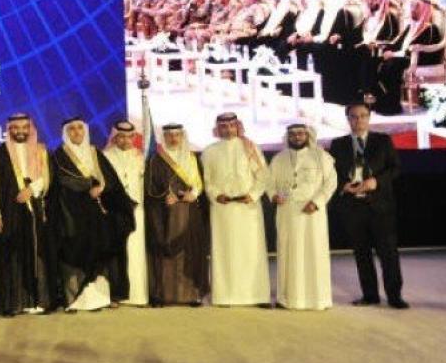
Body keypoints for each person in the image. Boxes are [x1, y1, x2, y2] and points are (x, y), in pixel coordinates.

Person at [50, 117, 134, 312]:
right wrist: (88, 187)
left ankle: (98, 299)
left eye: (80, 128)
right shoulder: (59, 156)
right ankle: (74, 299)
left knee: (99, 254)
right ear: (66, 133)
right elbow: (62, 182)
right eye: (72, 129)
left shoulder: (95, 152)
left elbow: (111, 180)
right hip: (71, 215)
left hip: (97, 215)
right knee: (73, 255)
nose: (77, 132)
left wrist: (102, 189)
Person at [329, 103, 407, 308]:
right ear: (348, 119)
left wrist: (376, 181)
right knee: (361, 253)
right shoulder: (338, 144)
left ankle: (394, 296)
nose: (359, 120)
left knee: (388, 253)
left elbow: (395, 168)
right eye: (354, 116)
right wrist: (343, 185)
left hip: (380, 207)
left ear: (369, 117)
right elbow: (331, 174)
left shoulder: (383, 141)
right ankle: (370, 295)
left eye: (363, 115)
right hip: (353, 207)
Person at [0, 113, 60, 315]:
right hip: (9, 211)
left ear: (30, 129)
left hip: (36, 210)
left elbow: (50, 176)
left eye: (24, 127)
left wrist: (31, 189)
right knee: (13, 255)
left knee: (38, 253)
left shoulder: (41, 150)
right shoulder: (0, 153)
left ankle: (40, 301)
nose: (20, 131)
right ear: (9, 129)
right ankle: (15, 303)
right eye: (16, 127)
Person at [201, 112, 271, 307]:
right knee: (225, 252)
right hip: (223, 209)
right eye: (223, 126)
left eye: (231, 125)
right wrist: (216, 195)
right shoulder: (209, 152)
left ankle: (257, 296)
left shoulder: (250, 147)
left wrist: (253, 195)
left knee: (252, 251)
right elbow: (208, 181)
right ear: (218, 128)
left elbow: (263, 176)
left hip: (248, 208)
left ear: (237, 126)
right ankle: (224, 296)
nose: (228, 130)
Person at [267, 123, 336, 310]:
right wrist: (273, 195)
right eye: (292, 134)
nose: (296, 137)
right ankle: (287, 299)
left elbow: (331, 182)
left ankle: (318, 300)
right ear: (287, 137)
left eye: (300, 133)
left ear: (308, 135)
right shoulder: (279, 159)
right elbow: (269, 182)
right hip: (287, 213)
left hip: (312, 213)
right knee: (288, 253)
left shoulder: (321, 156)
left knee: (314, 253)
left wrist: (317, 202)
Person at [143, 124, 209, 307]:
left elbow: (198, 184)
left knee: (190, 251)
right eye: (169, 135)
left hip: (188, 212)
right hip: (163, 214)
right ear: (164, 137)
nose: (173, 139)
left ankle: (191, 295)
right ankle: (161, 295)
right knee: (163, 253)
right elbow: (150, 189)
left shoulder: (191, 158)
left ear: (182, 137)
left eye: (177, 135)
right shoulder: (155, 160)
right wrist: (165, 196)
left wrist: (192, 194)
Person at [103, 121, 148, 306]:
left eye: (130, 137)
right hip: (114, 213)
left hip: (137, 211)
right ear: (115, 137)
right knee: (117, 253)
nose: (126, 140)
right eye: (121, 136)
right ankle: (116, 295)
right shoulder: (105, 156)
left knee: (136, 251)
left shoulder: (140, 157)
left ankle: (138, 295)